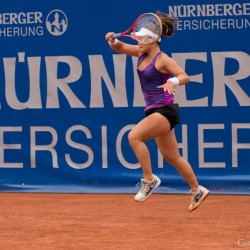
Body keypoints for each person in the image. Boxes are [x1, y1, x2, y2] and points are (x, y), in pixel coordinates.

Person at [105, 11, 209, 211]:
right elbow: (120, 47)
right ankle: (197, 190)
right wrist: (111, 40)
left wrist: (172, 80)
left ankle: (149, 180)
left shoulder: (163, 59)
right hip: (154, 111)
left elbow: (184, 76)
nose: (138, 42)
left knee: (134, 137)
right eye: (138, 38)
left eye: (142, 39)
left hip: (165, 110)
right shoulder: (140, 53)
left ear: (153, 41)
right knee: (172, 157)